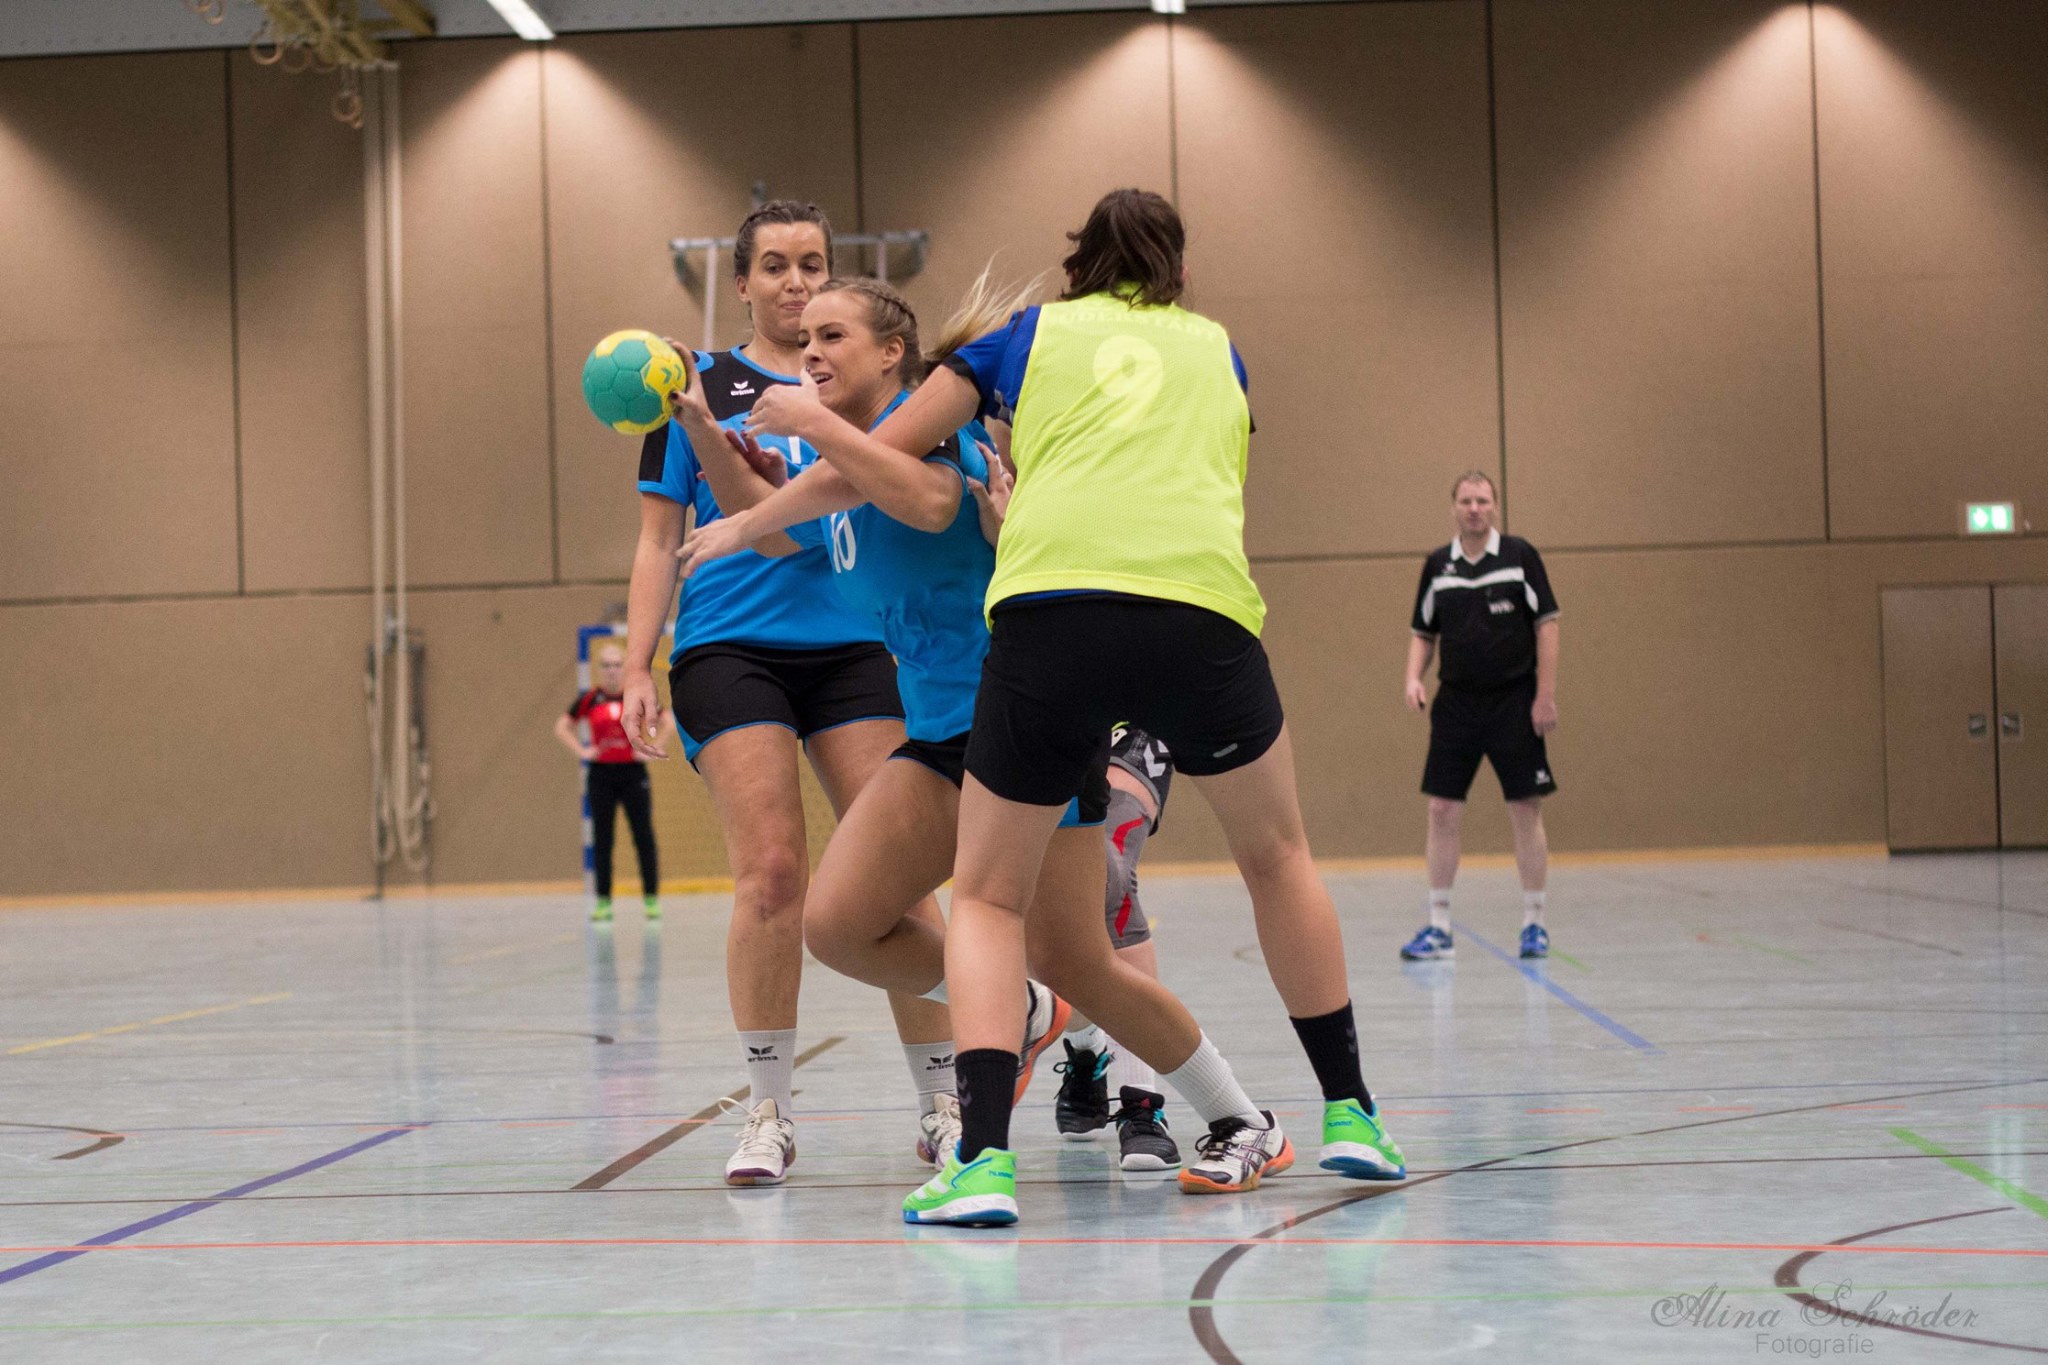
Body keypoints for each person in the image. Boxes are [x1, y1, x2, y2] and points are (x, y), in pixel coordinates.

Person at [680, 276, 1302, 1224]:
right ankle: (1027, 1009)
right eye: (804, 340)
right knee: (841, 923)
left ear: (893, 354)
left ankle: (1237, 1117)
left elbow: (928, 506)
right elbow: (788, 514)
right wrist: (718, 469)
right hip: (941, 735)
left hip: (1024, 724)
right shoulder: (840, 464)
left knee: (1077, 957)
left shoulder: (940, 440)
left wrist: (808, 427)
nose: (810, 351)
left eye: (833, 335)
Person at [614, 201, 954, 1187]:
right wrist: (635, 665)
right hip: (729, 645)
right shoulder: (694, 387)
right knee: (770, 872)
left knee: (899, 875)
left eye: (811, 263)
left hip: (858, 645)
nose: (795, 281)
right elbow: (656, 540)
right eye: (775, 265)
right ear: (742, 283)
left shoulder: (865, 381)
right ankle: (766, 1111)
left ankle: (945, 1100)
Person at [1400, 470, 1560, 962]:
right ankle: (1439, 927)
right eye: (1466, 501)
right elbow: (1423, 631)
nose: (1474, 509)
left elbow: (1548, 625)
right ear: (1454, 507)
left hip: (1515, 702)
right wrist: (1413, 677)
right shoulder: (1438, 565)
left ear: (1494, 506)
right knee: (1442, 810)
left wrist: (1545, 695)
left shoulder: (1519, 557)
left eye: (1483, 501)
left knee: (1525, 808)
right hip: (1457, 706)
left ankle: (1534, 923)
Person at [1052, 723, 1181, 1171]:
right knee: (1055, 901)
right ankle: (1086, 1049)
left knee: (1112, 872)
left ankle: (1141, 1104)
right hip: (1043, 713)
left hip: (1131, 716)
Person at [554, 642, 662, 922]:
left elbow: (668, 721)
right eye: (606, 665)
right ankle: (603, 902)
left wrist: (652, 748)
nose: (612, 670)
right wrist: (583, 751)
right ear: (599, 669)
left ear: (624, 667)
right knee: (603, 839)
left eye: (616, 664)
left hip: (633, 774)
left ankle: (651, 899)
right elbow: (562, 727)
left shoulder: (634, 696)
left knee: (643, 836)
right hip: (601, 776)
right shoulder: (590, 699)